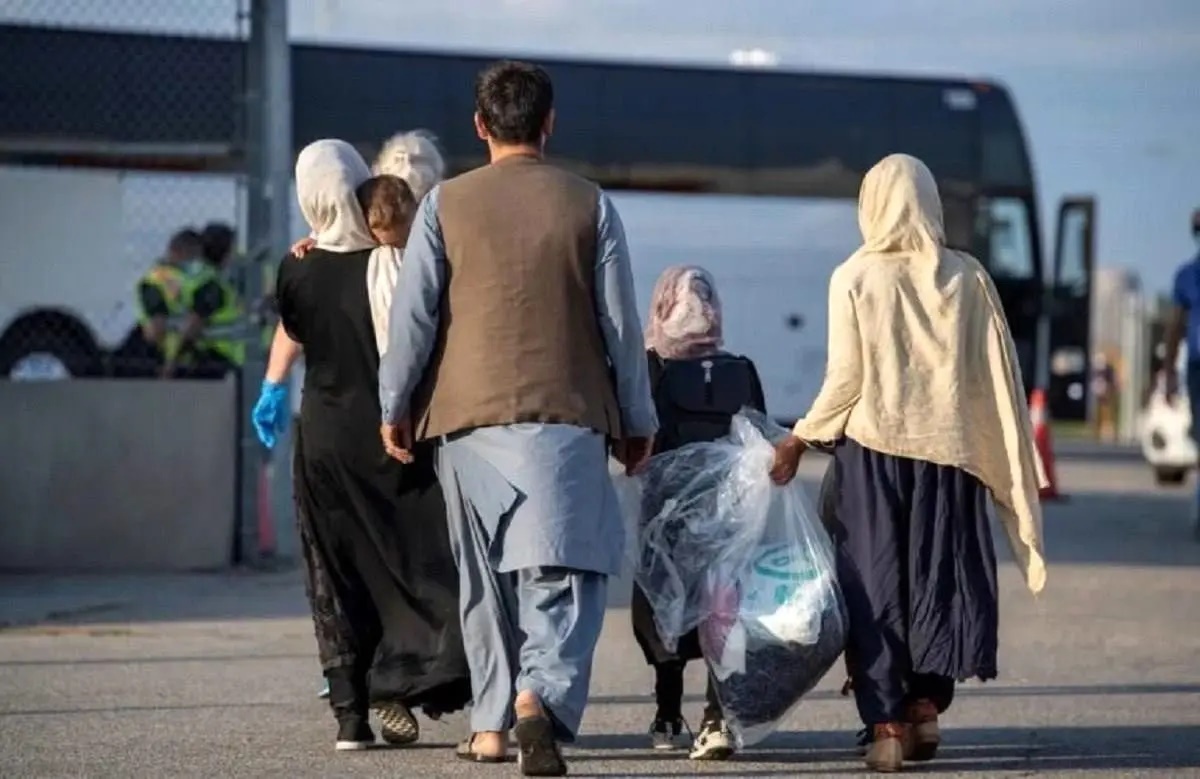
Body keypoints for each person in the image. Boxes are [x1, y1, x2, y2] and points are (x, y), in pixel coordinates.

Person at [377, 60, 656, 776]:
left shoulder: (443, 204)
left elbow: (414, 319)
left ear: (479, 126)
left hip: (465, 419)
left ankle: (492, 725)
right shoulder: (590, 205)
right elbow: (622, 325)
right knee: (562, 570)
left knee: (484, 579)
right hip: (566, 412)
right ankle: (540, 697)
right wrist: (636, 416)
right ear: (549, 123)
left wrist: (396, 405)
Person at [768, 154, 1047, 773]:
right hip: (949, 459)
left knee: (875, 587)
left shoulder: (855, 276)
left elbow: (845, 381)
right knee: (936, 582)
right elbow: (995, 376)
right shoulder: (969, 277)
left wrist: (798, 439)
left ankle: (886, 724)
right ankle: (925, 712)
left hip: (873, 457)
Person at [254, 138, 471, 751]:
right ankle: (405, 684)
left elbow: (293, 329)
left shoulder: (296, 266)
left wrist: (271, 389)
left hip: (322, 438)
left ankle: (350, 716)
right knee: (405, 560)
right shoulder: (395, 261)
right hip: (393, 434)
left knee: (335, 568)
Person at [631, 265, 766, 760]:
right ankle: (717, 717)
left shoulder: (652, 367)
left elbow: (634, 437)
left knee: (665, 604)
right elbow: (758, 435)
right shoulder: (741, 368)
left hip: (666, 518)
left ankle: (669, 714)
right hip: (728, 516)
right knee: (721, 611)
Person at [1160, 208, 1200, 539]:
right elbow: (1174, 328)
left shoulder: (1188, 274)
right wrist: (1169, 372)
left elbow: (1174, 327)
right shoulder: (1188, 275)